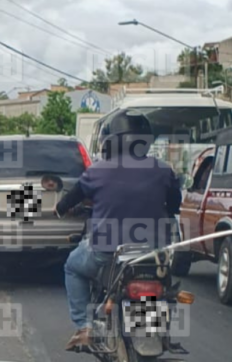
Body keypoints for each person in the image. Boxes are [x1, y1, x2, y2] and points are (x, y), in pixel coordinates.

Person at [54, 109, 181, 351]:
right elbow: (174, 205)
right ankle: (157, 329)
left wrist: (59, 209)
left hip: (108, 252)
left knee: (72, 266)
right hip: (153, 253)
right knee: (164, 282)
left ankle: (84, 327)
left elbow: (69, 200)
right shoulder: (164, 170)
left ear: (110, 141)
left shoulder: (96, 171)